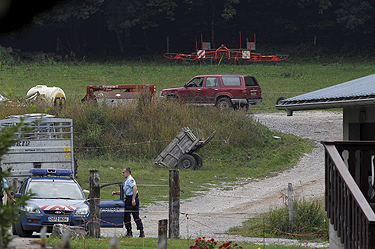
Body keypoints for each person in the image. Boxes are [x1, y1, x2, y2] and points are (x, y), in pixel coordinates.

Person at [112, 167, 144, 237]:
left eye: (123, 172)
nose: (122, 174)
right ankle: (129, 231)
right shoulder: (126, 180)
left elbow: (135, 188)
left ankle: (141, 231)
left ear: (127, 173)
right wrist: (116, 193)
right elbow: (124, 191)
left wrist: (133, 199)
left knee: (135, 216)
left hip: (131, 199)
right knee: (126, 216)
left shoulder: (130, 179)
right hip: (128, 198)